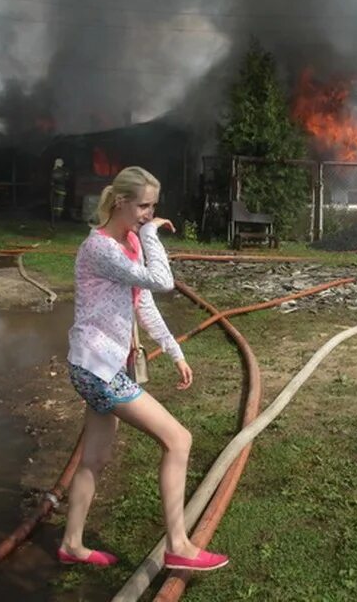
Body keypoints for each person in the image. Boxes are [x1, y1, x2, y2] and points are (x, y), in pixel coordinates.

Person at [58, 166, 229, 572]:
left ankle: (72, 544)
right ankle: (179, 546)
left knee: (94, 459)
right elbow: (162, 280)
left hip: (99, 365)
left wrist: (174, 351)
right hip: (97, 368)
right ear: (121, 202)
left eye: (153, 207)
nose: (149, 215)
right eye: (144, 206)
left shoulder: (127, 242)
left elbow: (144, 301)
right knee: (179, 440)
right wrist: (152, 236)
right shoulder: (100, 248)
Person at [50, 158, 69, 223]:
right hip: (62, 190)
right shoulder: (64, 171)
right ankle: (58, 217)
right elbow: (66, 179)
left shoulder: (53, 170)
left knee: (54, 204)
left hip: (54, 189)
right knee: (60, 204)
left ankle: (54, 217)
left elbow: (52, 181)